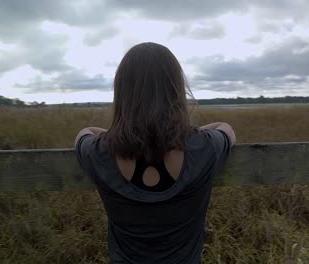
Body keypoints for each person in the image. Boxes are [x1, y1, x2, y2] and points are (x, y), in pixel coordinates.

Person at [74, 42, 236, 264]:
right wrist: (187, 132)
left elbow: (84, 134)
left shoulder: (99, 152)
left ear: (122, 93)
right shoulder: (203, 147)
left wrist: (114, 135)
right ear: (176, 89)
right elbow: (226, 129)